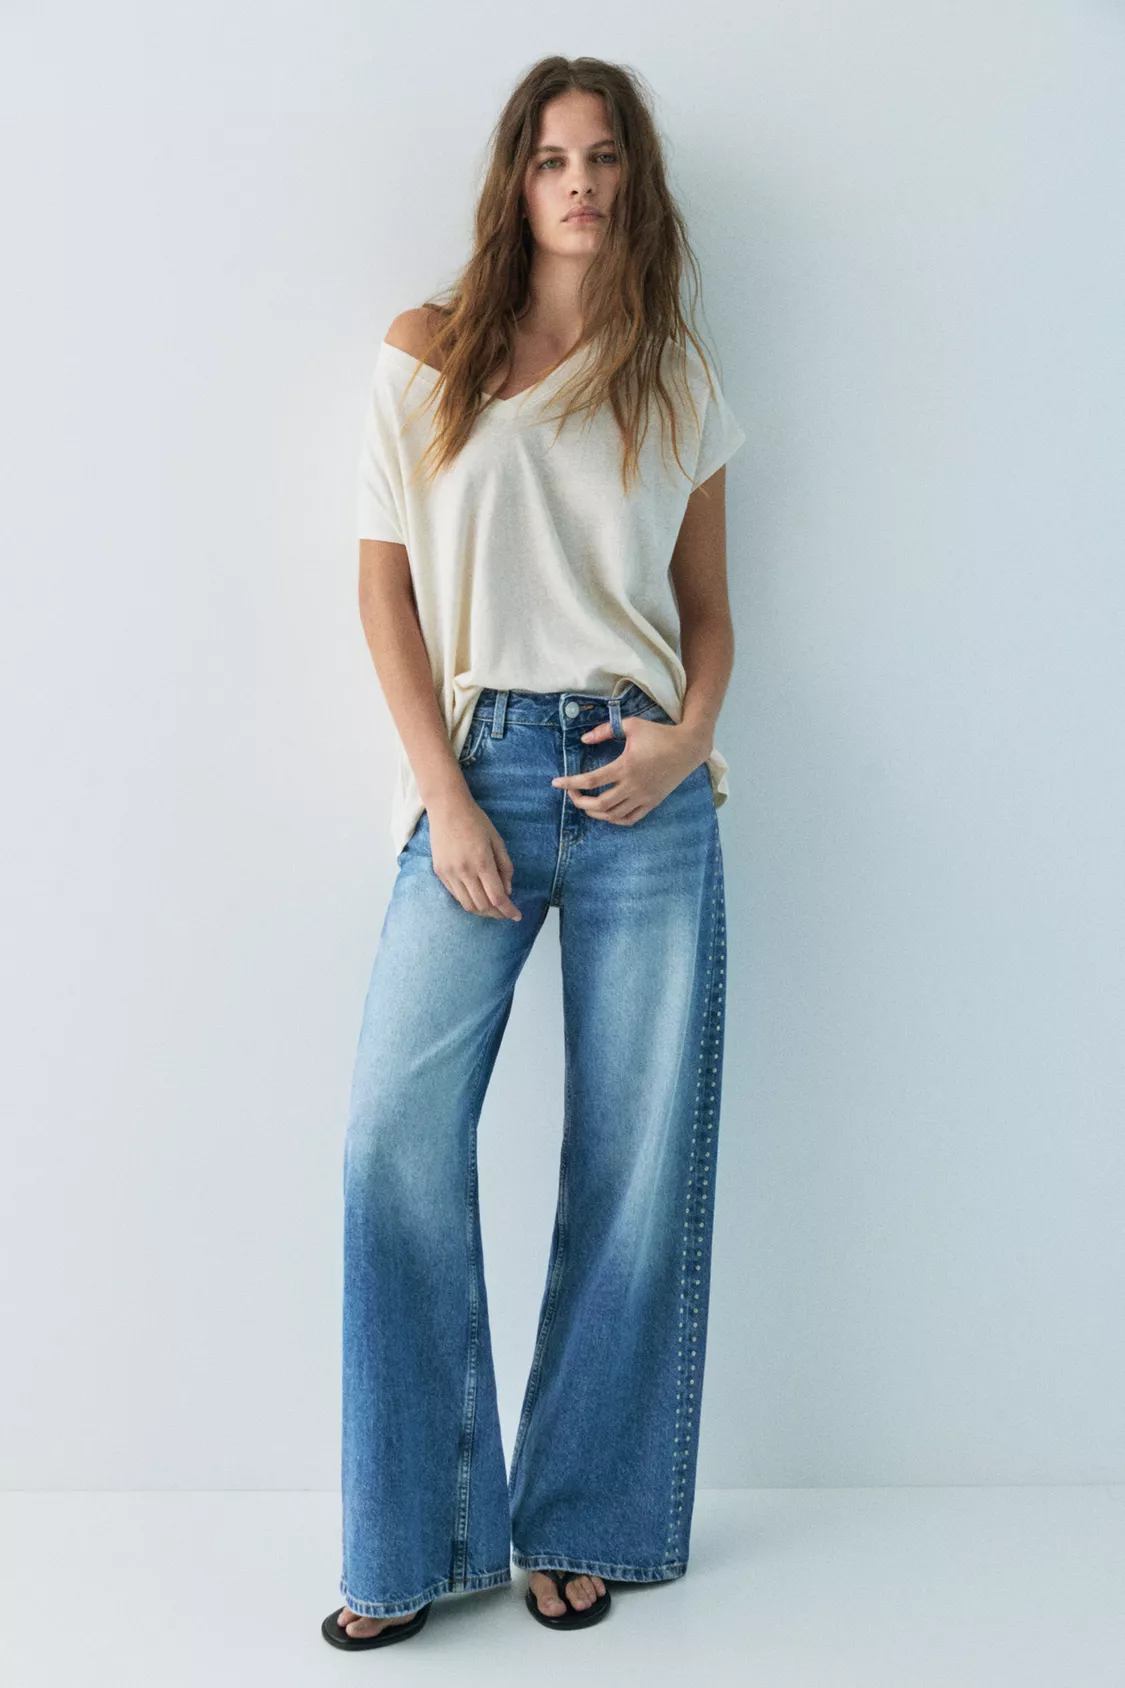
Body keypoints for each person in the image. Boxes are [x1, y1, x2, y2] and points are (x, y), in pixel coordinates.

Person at [322, 54, 746, 1651]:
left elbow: (709, 619)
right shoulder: (428, 350)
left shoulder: (675, 376)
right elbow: (383, 592)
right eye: (555, 157)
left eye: (605, 157)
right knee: (391, 1134)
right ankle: (416, 1540)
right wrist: (444, 795)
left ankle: (585, 1520)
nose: (580, 183)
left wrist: (688, 740)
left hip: (645, 780)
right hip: (482, 766)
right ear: (517, 180)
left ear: (635, 183)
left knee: (635, 1164)